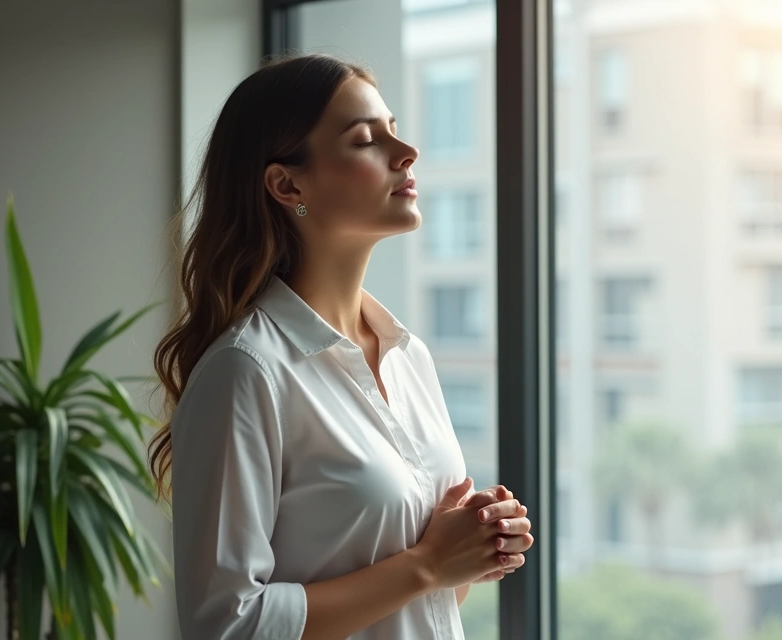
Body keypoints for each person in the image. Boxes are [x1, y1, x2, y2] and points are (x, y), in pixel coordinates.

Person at [148, 53, 533, 640]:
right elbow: (226, 624)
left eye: (394, 130)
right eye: (366, 140)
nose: (407, 153)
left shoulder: (409, 357)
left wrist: (471, 547)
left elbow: (426, 601)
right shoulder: (246, 371)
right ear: (288, 185)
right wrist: (427, 564)